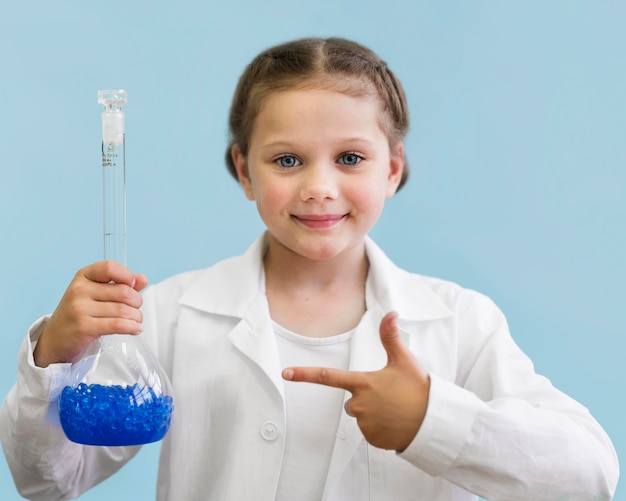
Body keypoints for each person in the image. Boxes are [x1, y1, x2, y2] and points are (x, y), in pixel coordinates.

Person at [0, 37, 619, 501]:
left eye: (350, 157)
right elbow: (47, 481)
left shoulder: (460, 324)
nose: (320, 188)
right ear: (244, 171)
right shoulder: (167, 316)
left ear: (392, 169)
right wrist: (55, 357)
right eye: (288, 159)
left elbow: (588, 473)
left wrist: (431, 420)